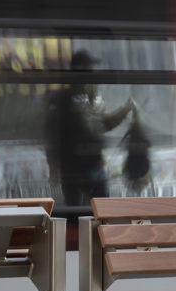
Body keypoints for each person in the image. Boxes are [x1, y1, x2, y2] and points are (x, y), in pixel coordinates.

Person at [46, 49, 135, 206]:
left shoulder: (90, 96)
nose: (93, 72)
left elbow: (101, 125)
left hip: (93, 167)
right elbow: (52, 135)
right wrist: (53, 167)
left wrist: (124, 110)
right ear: (80, 69)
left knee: (100, 212)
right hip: (73, 169)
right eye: (90, 67)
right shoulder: (63, 97)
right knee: (79, 213)